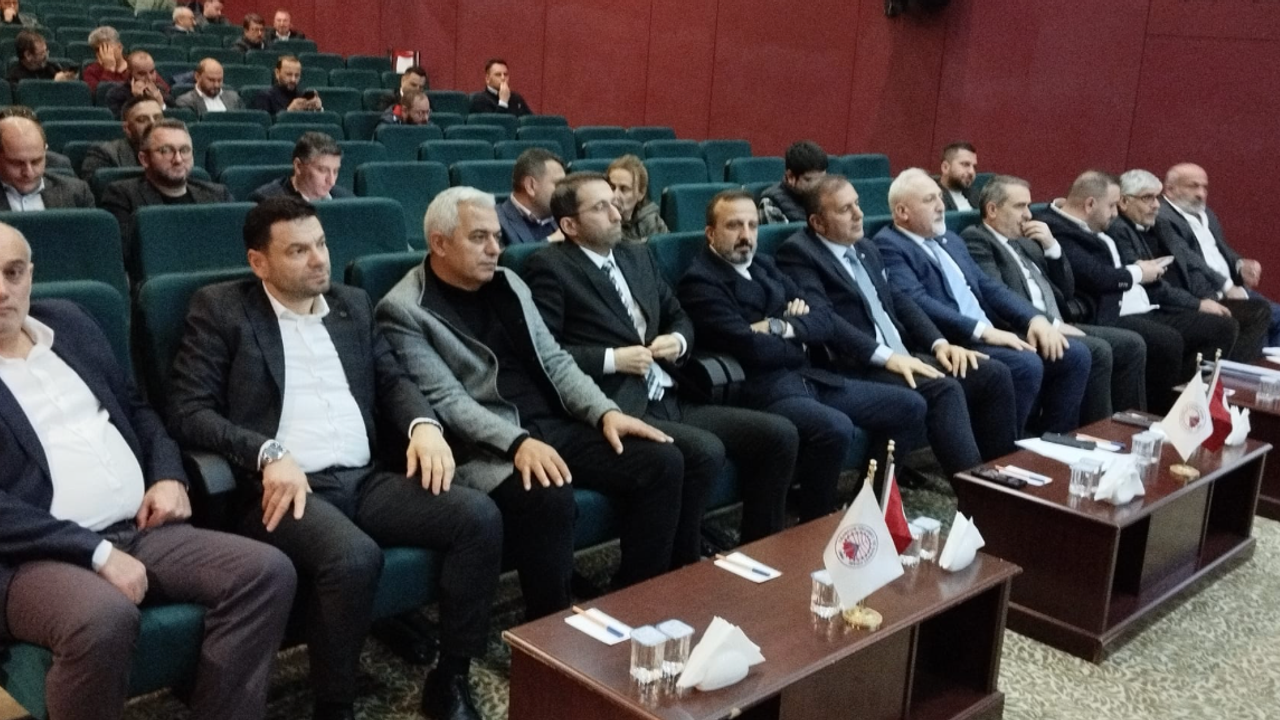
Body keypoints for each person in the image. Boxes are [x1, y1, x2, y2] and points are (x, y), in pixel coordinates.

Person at [167, 197, 502, 720]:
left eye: (321, 244)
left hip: (364, 479)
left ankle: (452, 675)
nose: (319, 259)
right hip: (284, 490)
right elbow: (188, 411)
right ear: (259, 263)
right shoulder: (222, 309)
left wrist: (424, 427)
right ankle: (335, 705)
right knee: (354, 557)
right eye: (298, 251)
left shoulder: (352, 305)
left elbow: (393, 381)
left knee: (477, 515)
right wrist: (266, 451)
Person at [0, 224, 297, 720]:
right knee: (101, 617)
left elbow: (135, 408)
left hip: (139, 527)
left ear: (31, 274)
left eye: (13, 273)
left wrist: (168, 475)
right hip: (32, 555)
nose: (2, 290)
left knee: (266, 572)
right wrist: (96, 553)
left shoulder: (69, 321)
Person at [377, 186, 684, 613]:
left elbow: (556, 360)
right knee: (547, 493)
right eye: (479, 238)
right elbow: (449, 401)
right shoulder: (404, 310)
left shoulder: (509, 282)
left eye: (497, 236)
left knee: (662, 462)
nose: (495, 249)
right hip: (487, 448)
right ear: (440, 243)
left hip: (553, 425)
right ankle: (550, 625)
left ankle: (636, 603)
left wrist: (604, 413)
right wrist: (518, 442)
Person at [525, 172, 798, 553]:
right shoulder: (549, 267)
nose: (617, 213)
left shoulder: (637, 254)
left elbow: (678, 314)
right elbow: (543, 352)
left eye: (615, 203)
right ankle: (681, 559)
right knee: (704, 450)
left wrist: (678, 340)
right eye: (601, 207)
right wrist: (612, 359)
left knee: (779, 435)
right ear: (570, 225)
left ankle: (759, 553)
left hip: (671, 390)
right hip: (618, 402)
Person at [680, 189, 931, 520]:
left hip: (808, 377)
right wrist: (799, 334)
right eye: (734, 226)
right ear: (711, 233)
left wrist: (779, 326)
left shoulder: (764, 265)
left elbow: (824, 318)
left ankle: (865, 511)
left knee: (910, 405)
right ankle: (816, 522)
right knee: (834, 427)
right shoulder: (700, 282)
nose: (746, 236)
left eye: (752, 225)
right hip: (762, 391)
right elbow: (749, 347)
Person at [776, 174, 1017, 464]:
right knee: (943, 389)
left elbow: (899, 300)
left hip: (901, 352)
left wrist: (939, 343)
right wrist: (887, 357)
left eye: (857, 204)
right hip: (855, 364)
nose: (858, 214)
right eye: (845, 209)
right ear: (817, 222)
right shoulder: (799, 253)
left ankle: (1001, 475)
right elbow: (825, 319)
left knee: (993, 373)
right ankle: (973, 486)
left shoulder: (865, 247)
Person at [874, 168, 1091, 436]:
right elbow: (917, 301)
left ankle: (1053, 441)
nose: (941, 206)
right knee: (1025, 364)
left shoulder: (950, 240)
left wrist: (1034, 319)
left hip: (988, 331)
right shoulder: (889, 245)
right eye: (929, 200)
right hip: (954, 339)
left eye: (940, 197)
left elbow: (988, 286)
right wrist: (983, 331)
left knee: (1075, 355)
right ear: (902, 212)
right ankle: (1007, 449)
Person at [1035, 171, 1238, 412]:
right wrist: (1139, 272)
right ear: (1090, 204)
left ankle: (1187, 407)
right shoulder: (1059, 229)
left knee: (1220, 326)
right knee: (1164, 341)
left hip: (1141, 301)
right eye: (1112, 205)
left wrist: (1143, 271)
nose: (1115, 213)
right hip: (1108, 312)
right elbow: (1096, 276)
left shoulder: (1098, 223)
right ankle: (1157, 414)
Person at [961, 174, 1148, 420]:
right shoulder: (977, 240)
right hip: (1024, 328)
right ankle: (1083, 432)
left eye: (1028, 206)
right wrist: (1051, 324)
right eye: (1020, 206)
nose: (1028, 214)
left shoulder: (1026, 242)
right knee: (1096, 350)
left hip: (1057, 320)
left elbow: (1066, 291)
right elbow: (998, 294)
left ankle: (1128, 424)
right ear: (992, 210)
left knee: (1132, 344)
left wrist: (1052, 247)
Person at [1114, 169, 1268, 362]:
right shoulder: (1122, 228)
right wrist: (1198, 303)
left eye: (1156, 198)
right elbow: (1150, 283)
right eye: (1147, 198)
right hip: (1157, 303)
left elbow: (1193, 255)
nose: (1156, 205)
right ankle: (1201, 378)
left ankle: (1226, 375)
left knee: (1258, 312)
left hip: (1182, 295)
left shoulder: (1156, 224)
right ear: (1124, 201)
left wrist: (1236, 269)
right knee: (1223, 325)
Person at [1159, 162, 1280, 347]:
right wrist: (1226, 285)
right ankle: (1248, 364)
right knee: (1261, 316)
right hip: (1206, 293)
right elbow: (1189, 260)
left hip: (1232, 287)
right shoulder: (1163, 217)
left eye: (1204, 187)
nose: (1201, 193)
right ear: (1170, 189)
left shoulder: (1206, 214)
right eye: (1193, 186)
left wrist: (1240, 265)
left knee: (1275, 317)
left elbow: (1222, 249)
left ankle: (1266, 364)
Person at [100, 120, 234, 245]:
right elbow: (127, 251)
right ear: (144, 159)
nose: (178, 159)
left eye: (185, 150)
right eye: (166, 151)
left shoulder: (218, 195)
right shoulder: (122, 196)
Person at [0, 117, 94, 211]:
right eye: (17, 163)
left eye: (36, 162)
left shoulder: (77, 193)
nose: (29, 173)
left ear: (45, 152)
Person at [248, 131, 353, 202]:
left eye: (335, 171)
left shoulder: (346, 200)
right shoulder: (267, 201)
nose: (332, 181)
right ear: (298, 166)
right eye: (322, 170)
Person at [79, 96, 164, 181]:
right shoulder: (104, 153)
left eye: (158, 118)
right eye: (142, 119)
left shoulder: (172, 152)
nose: (153, 123)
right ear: (127, 128)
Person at [495, 148, 565, 246]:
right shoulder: (495, 221)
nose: (563, 191)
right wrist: (549, 242)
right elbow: (505, 256)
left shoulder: (565, 218)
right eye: (558, 184)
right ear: (530, 186)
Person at [758, 140, 827, 225]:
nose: (818, 185)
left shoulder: (826, 198)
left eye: (822, 179)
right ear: (790, 177)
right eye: (809, 180)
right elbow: (782, 233)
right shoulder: (770, 202)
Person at [608, 154, 668, 243]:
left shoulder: (652, 220)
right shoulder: (601, 222)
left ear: (641, 193)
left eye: (624, 189)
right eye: (612, 187)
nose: (615, 195)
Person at [104, 51, 173, 120]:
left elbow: (172, 121)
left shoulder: (161, 90)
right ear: (129, 74)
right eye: (142, 74)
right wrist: (137, 99)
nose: (149, 78)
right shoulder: (116, 94)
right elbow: (122, 122)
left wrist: (161, 104)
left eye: (152, 72)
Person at [253, 55, 321, 116]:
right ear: (277, 73)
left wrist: (318, 109)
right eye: (289, 74)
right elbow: (265, 122)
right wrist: (289, 111)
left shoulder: (302, 96)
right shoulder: (265, 96)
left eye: (297, 75)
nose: (293, 80)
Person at [174, 59, 244, 115]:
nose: (216, 85)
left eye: (220, 80)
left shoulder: (234, 99)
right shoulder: (185, 102)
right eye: (211, 80)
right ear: (197, 77)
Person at [6, 30, 76, 86]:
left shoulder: (52, 68)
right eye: (42, 53)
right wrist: (55, 85)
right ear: (28, 55)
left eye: (46, 51)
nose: (46, 56)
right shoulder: (14, 79)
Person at [468, 58, 532, 116]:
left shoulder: (516, 98)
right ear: (487, 79)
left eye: (505, 74)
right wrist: (503, 102)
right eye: (498, 75)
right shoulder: (478, 99)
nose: (503, 78)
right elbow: (492, 123)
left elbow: (530, 120)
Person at [81, 26, 128, 94]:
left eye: (106, 48)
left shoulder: (134, 66)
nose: (101, 53)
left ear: (119, 47)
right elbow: (100, 96)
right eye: (97, 50)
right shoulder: (91, 71)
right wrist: (109, 69)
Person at [938, 141, 978, 211]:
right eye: (965, 164)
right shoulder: (934, 198)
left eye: (974, 167)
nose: (972, 171)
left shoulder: (976, 195)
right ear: (945, 167)